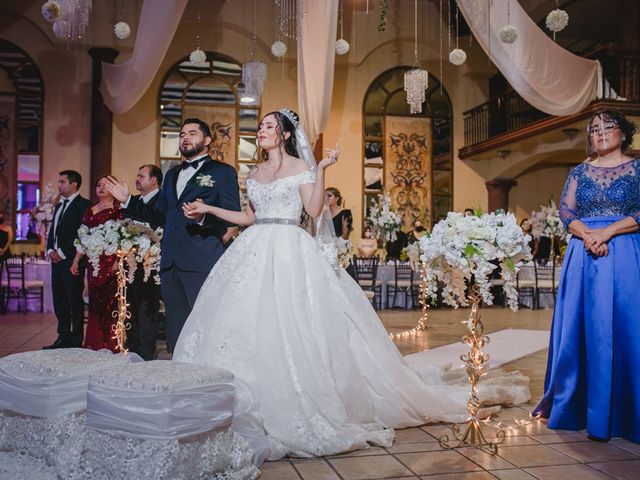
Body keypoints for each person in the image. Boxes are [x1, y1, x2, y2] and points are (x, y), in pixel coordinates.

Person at [173, 109, 529, 462]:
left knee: (296, 323)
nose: (262, 131)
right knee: (246, 324)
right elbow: (250, 217)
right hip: (254, 248)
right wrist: (210, 209)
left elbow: (313, 211)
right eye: (261, 126)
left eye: (269, 126)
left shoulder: (300, 168)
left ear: (283, 135)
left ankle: (302, 396)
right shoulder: (255, 172)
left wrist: (321, 170)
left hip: (290, 248)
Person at [533, 110, 640, 442]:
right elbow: (567, 211)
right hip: (583, 255)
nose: (601, 132)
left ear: (624, 132)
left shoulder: (638, 168)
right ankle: (577, 407)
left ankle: (627, 410)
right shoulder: (579, 170)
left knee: (627, 326)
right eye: (594, 129)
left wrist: (606, 233)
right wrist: (587, 235)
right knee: (581, 327)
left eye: (609, 126)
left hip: (624, 252)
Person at [104, 118, 241, 350]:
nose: (185, 137)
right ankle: (180, 374)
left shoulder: (222, 172)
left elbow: (232, 216)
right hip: (170, 262)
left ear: (207, 140)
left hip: (201, 259)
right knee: (176, 328)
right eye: (182, 134)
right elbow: (159, 216)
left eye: (192, 133)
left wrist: (204, 217)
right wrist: (127, 200)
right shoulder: (172, 174)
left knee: (204, 325)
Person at [71, 176, 123, 352]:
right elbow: (83, 238)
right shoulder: (89, 210)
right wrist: (76, 259)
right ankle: (94, 343)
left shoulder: (118, 209)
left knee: (110, 304)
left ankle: (112, 344)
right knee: (94, 304)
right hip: (93, 263)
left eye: (105, 185)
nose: (100, 188)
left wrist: (118, 260)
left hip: (110, 262)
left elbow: (123, 237)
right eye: (98, 185)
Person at [43, 170, 91, 350]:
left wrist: (62, 252)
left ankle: (76, 338)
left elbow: (82, 232)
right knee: (59, 300)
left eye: (62, 182)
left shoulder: (84, 205)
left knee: (74, 300)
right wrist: (49, 249)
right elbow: (53, 231)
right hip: (56, 260)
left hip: (71, 260)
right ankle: (63, 336)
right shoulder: (58, 205)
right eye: (59, 181)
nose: (59, 185)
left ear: (74, 184)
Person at [122, 164, 164, 360]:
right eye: (136, 175)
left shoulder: (162, 200)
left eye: (141, 176)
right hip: (131, 262)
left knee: (148, 307)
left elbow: (158, 222)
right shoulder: (134, 201)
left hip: (152, 262)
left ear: (153, 180)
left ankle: (146, 351)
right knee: (131, 304)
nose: (137, 179)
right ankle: (132, 346)